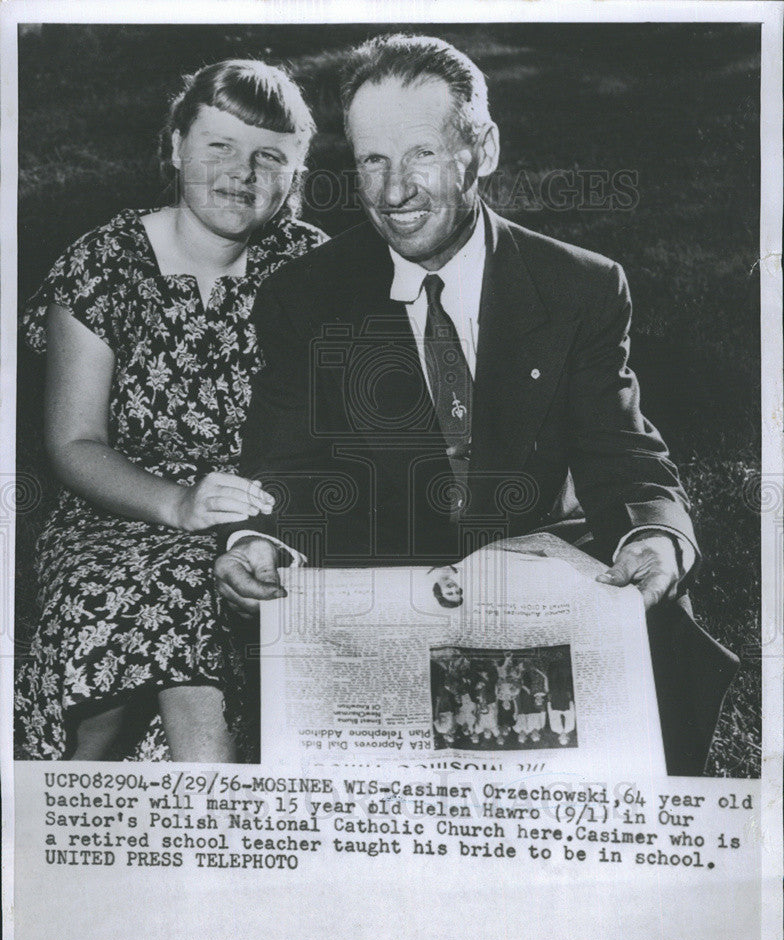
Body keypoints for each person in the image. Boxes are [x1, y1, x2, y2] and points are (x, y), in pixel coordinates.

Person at [215, 34, 738, 774]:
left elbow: (620, 451)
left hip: (535, 565)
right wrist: (257, 542)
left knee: (656, 654)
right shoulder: (306, 299)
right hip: (380, 580)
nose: (392, 191)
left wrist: (654, 534)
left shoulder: (580, 287)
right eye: (371, 159)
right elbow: (281, 465)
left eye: (421, 154)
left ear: (481, 149)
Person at [15, 60, 326, 762]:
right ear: (176, 146)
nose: (242, 172)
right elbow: (73, 443)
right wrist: (178, 504)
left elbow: (336, 432)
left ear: (294, 176)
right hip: (116, 512)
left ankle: (150, 801)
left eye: (268, 156)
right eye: (219, 146)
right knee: (163, 594)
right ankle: (107, 790)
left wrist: (250, 521)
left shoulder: (313, 270)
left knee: (205, 587)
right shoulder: (103, 264)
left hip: (266, 516)